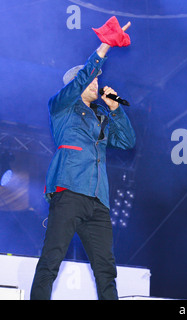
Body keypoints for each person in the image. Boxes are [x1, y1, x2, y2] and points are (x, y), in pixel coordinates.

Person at [30, 17, 135, 300]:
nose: (98, 82)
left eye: (98, 78)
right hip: (69, 191)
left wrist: (115, 110)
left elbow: (127, 141)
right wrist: (103, 48)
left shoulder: (101, 115)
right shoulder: (61, 107)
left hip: (98, 200)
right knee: (51, 260)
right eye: (94, 78)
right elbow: (81, 78)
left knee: (106, 270)